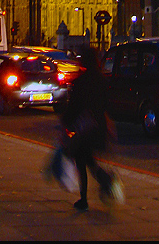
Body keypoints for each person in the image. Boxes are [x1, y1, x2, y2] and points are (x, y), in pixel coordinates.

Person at [61, 46, 113, 210]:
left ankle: (84, 198)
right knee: (89, 161)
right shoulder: (103, 81)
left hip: (84, 128)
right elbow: (106, 105)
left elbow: (74, 107)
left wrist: (65, 123)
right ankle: (105, 181)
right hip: (98, 127)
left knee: (82, 163)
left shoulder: (80, 82)